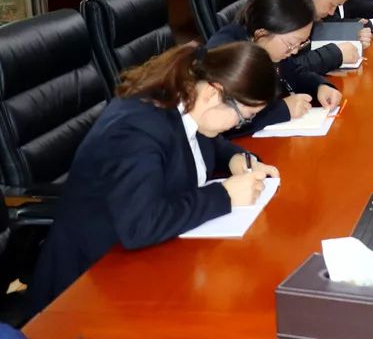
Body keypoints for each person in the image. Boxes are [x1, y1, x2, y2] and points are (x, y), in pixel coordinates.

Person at [29, 42, 280, 311]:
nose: (239, 125)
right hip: (91, 286)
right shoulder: (136, 130)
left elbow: (202, 139)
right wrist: (225, 195)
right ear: (213, 92)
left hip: (150, 260)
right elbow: (140, 225)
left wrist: (235, 158)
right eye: (243, 117)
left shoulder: (186, 99)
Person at [206, 0, 342, 134]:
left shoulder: (270, 46)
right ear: (261, 33)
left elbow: (293, 72)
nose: (295, 51)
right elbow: (222, 124)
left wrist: (319, 86)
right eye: (291, 44)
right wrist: (282, 110)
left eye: (301, 43)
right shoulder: (228, 55)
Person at [292, 0, 369, 74]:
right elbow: (285, 68)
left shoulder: (308, 8)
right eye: (332, 5)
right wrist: (336, 54)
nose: (331, 12)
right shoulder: (280, 9)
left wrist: (354, 33)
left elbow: (330, 23)